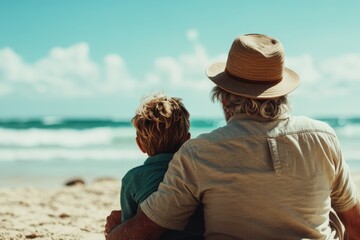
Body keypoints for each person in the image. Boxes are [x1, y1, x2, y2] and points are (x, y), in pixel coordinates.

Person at [106, 34, 360, 239]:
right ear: (281, 93)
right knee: (332, 217)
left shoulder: (199, 152)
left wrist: (115, 230)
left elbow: (147, 230)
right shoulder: (323, 137)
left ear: (224, 97)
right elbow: (355, 223)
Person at [105, 93, 204, 239]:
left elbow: (130, 226)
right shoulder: (197, 172)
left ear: (140, 144)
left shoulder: (133, 178)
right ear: (186, 141)